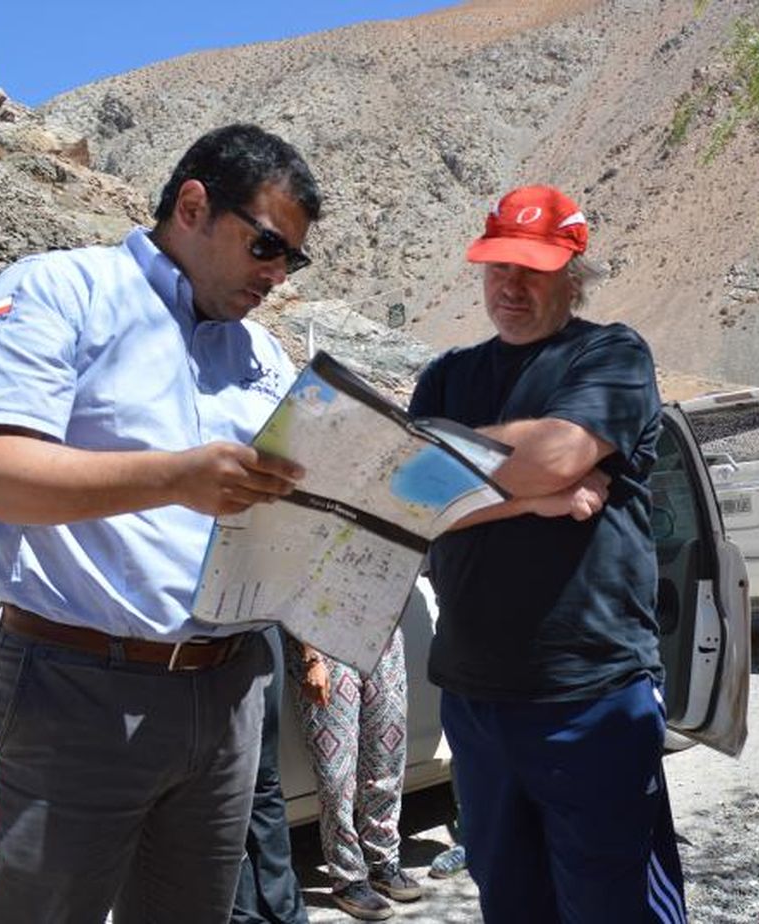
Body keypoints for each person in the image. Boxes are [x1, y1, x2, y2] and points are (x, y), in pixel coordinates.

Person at [0, 123, 321, 924]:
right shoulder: (60, 291)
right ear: (194, 205)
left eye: (292, 259)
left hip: (230, 686)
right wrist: (176, 477)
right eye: (266, 246)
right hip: (78, 687)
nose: (276, 274)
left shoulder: (263, 355)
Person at [407, 185, 685, 924]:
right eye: (497, 265)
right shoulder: (447, 375)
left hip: (589, 694)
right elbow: (407, 498)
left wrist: (468, 466)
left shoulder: (613, 355)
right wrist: (531, 498)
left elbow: (559, 455)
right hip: (475, 695)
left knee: (615, 906)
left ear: (572, 270)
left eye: (531, 267)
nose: (510, 284)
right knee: (513, 904)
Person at [286, 630, 420, 921]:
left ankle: (382, 859)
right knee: (337, 774)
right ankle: (348, 878)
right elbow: (292, 587)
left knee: (386, 757)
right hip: (324, 642)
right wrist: (311, 656)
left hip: (382, 636)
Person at [232, 626, 308, 924]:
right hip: (196, 643)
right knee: (220, 796)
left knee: (264, 785)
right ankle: (245, 917)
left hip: (257, 629)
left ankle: (287, 913)